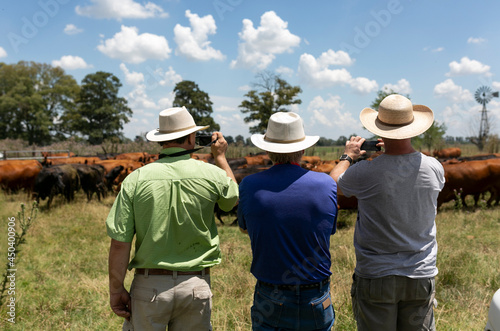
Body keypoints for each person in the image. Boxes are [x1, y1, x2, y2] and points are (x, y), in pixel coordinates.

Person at [106, 106, 239, 330]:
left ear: (162, 140)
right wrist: (221, 158)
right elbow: (231, 200)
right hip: (195, 285)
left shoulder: (135, 179)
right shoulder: (211, 173)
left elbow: (120, 244)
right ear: (191, 137)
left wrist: (116, 289)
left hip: (149, 287)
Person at [330, 94, 445, 330]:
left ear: (380, 132)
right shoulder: (434, 166)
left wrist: (348, 156)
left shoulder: (366, 171)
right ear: (413, 129)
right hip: (420, 273)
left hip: (377, 274)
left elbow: (332, 185)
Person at [238, 112, 338, 331]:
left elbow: (247, 229)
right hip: (316, 293)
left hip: (271, 294)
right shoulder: (326, 184)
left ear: (268, 150)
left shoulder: (249, 185)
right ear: (303, 150)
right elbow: (327, 231)